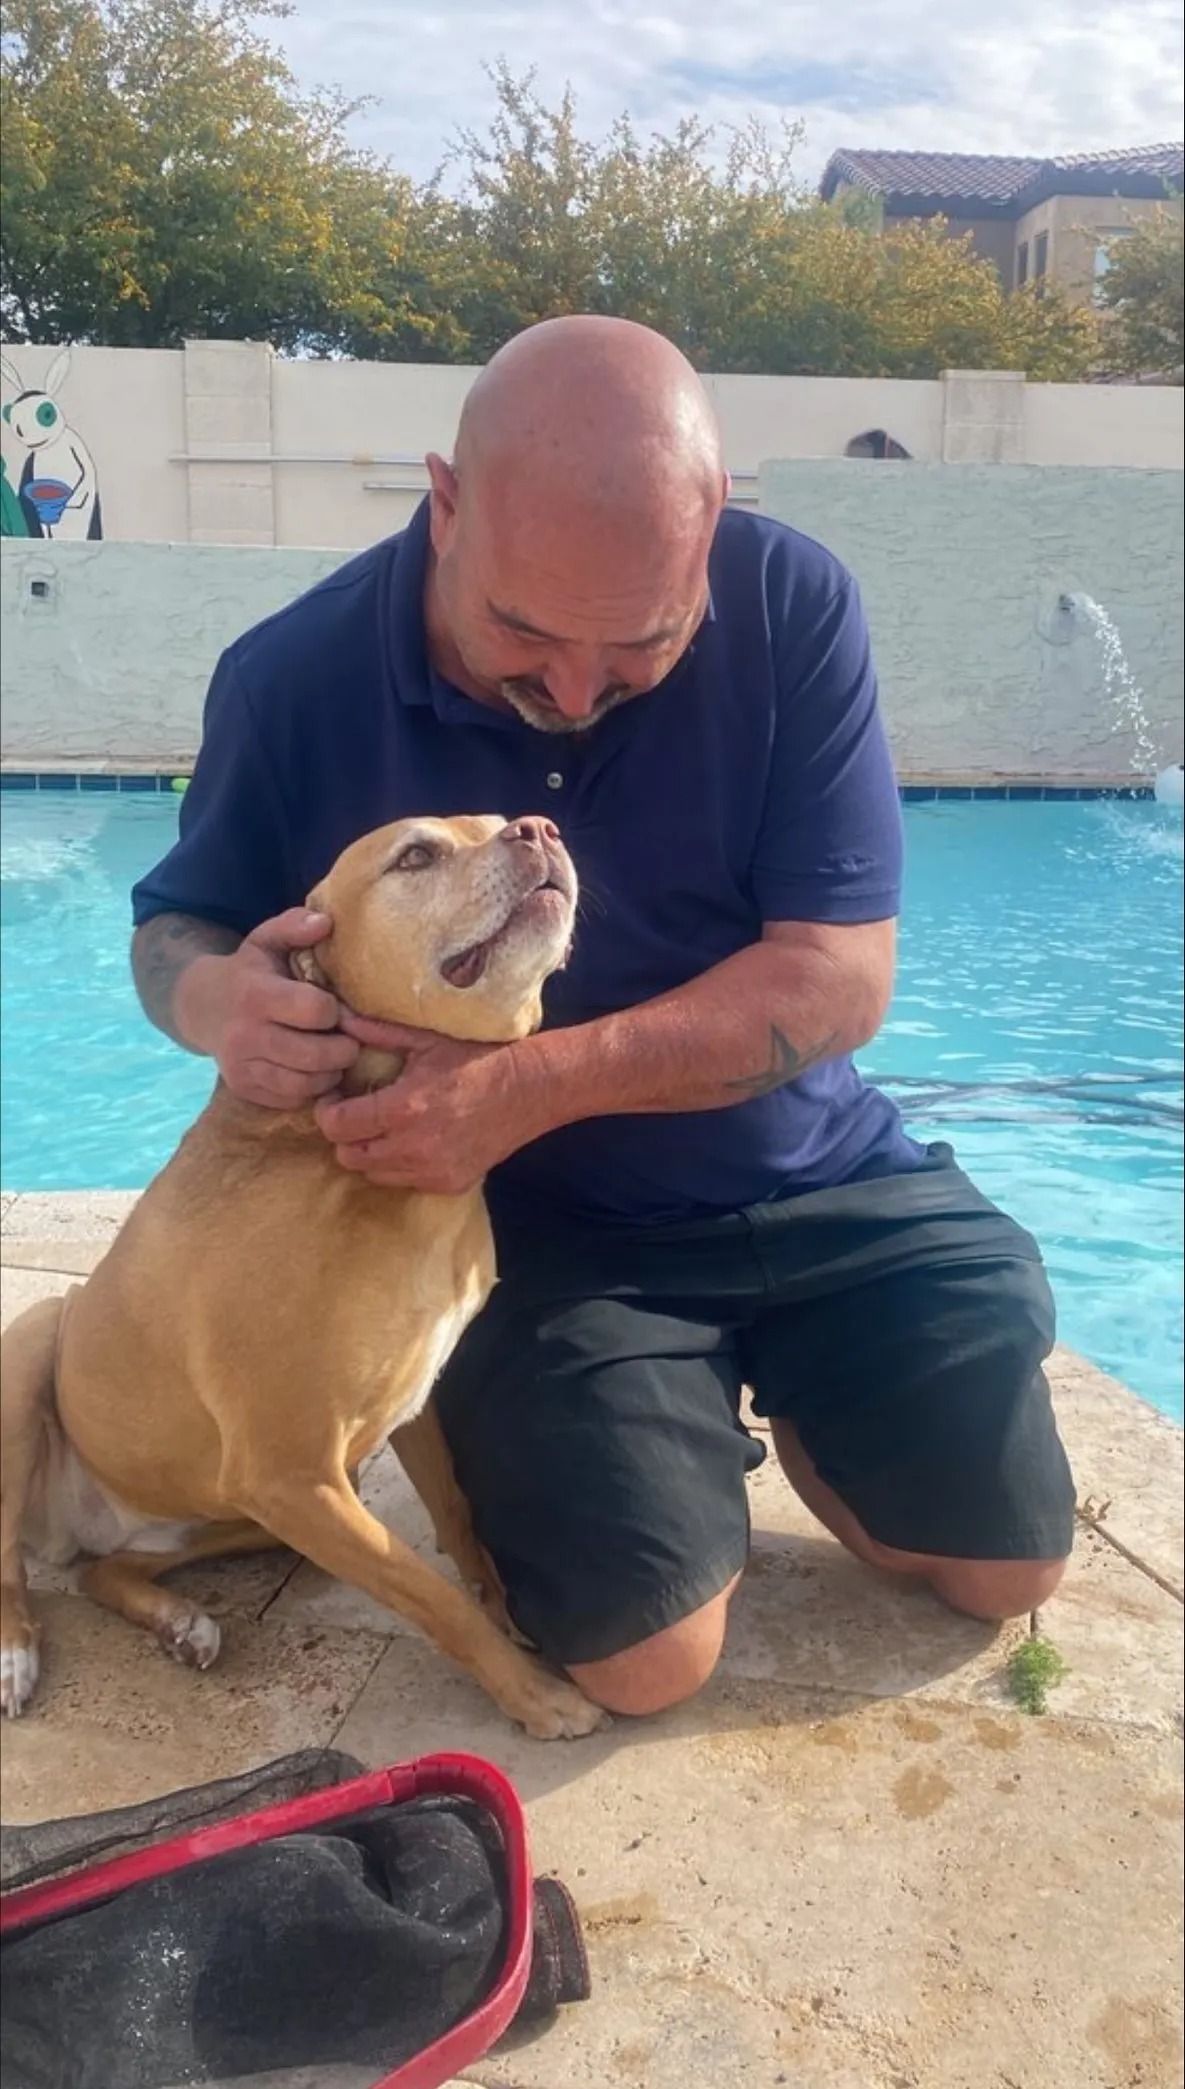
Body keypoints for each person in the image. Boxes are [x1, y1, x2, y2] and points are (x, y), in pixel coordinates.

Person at [130, 316, 1074, 1717]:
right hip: (549, 1240)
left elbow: (837, 976)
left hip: (822, 1173)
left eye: (641, 642)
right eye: (520, 629)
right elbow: (174, 929)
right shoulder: (293, 676)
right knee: (644, 1665)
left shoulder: (793, 606)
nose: (570, 696)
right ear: (445, 505)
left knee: (1002, 1574)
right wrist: (219, 1002)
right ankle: (661, 1416)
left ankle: (797, 1402)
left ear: (712, 530)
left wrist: (526, 1087)